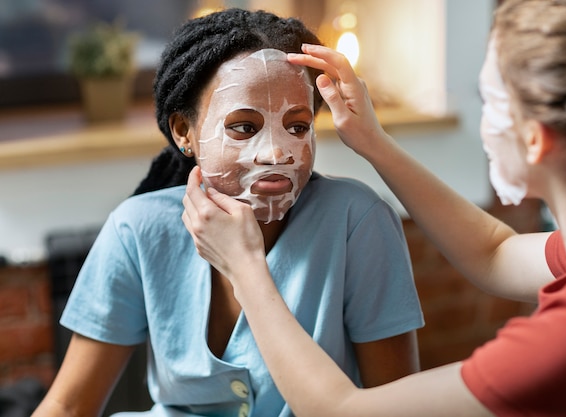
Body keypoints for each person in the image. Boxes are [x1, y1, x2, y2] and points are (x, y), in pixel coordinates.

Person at [181, 0, 566, 415]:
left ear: (536, 139)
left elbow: (341, 410)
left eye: (488, 103)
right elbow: (495, 253)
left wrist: (245, 268)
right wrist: (374, 142)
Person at [32, 8, 424, 417]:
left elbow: (393, 407)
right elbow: (69, 405)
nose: (277, 152)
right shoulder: (137, 229)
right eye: (243, 127)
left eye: (297, 126)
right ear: (184, 132)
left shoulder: (357, 222)